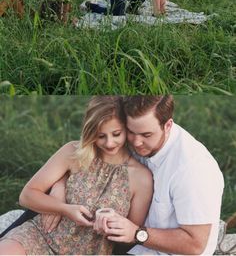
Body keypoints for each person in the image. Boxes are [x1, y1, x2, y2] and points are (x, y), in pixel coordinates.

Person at [0, 96, 153, 256]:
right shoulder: (72, 152)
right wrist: (64, 209)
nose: (109, 143)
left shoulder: (141, 178)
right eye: (101, 136)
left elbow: (130, 239)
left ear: (126, 128)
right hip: (40, 236)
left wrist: (112, 227)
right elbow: (27, 195)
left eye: (116, 134)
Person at [101, 95, 224, 256]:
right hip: (132, 243)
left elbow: (195, 245)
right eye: (131, 131)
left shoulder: (192, 169)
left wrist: (136, 233)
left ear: (168, 125)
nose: (136, 142)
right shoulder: (135, 137)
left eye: (146, 135)